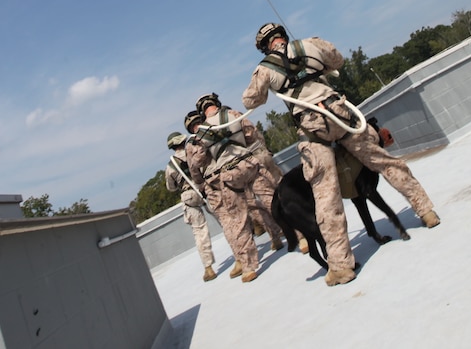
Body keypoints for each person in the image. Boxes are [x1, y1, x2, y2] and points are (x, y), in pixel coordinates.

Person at [242, 22, 441, 287]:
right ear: (282, 36)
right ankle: (426, 211)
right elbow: (337, 59)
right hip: (340, 114)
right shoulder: (310, 45)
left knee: (326, 195)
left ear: (265, 46)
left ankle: (341, 267)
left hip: (312, 126)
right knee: (384, 161)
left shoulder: (265, 68)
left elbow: (250, 101)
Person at [184, 107, 279, 283]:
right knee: (265, 200)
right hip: (247, 162)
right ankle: (287, 234)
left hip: (219, 180)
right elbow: (250, 135)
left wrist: (200, 184)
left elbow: (195, 167)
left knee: (234, 220)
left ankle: (245, 264)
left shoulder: (194, 142)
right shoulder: (226, 120)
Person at [194, 93, 286, 252]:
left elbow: (200, 161)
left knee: (239, 218)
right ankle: (299, 235)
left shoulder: (200, 133)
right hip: (249, 163)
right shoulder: (233, 114)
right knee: (270, 200)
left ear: (202, 111)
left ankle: (249, 267)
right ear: (216, 102)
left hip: (228, 173)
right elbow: (252, 134)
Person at [164, 131, 218, 282]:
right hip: (204, 188)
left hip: (189, 196)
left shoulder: (170, 166)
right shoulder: (193, 152)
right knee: (223, 218)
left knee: (200, 231)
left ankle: (208, 268)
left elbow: (171, 188)